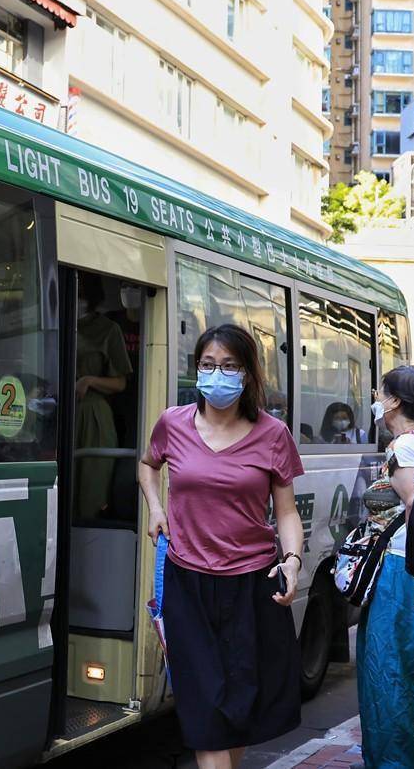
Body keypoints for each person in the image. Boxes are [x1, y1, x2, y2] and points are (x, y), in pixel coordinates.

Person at [141, 324, 304, 769]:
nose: (218, 374)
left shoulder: (273, 434)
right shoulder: (172, 423)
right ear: (197, 369)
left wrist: (292, 560)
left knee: (239, 707)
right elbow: (147, 464)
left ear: (249, 374)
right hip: (187, 583)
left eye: (230, 366)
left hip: (253, 586)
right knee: (204, 709)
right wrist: (156, 508)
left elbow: (286, 512)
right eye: (209, 365)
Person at [357, 366, 414, 769]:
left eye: (380, 392)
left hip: (400, 569)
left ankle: (394, 763)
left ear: (394, 401)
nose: (376, 398)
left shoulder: (405, 447)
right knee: (392, 671)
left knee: (387, 674)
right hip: (410, 568)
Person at [74, 275, 131, 519]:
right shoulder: (55, 322)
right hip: (60, 411)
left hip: (92, 416)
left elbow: (120, 382)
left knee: (90, 489)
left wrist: (89, 381)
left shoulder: (108, 329)